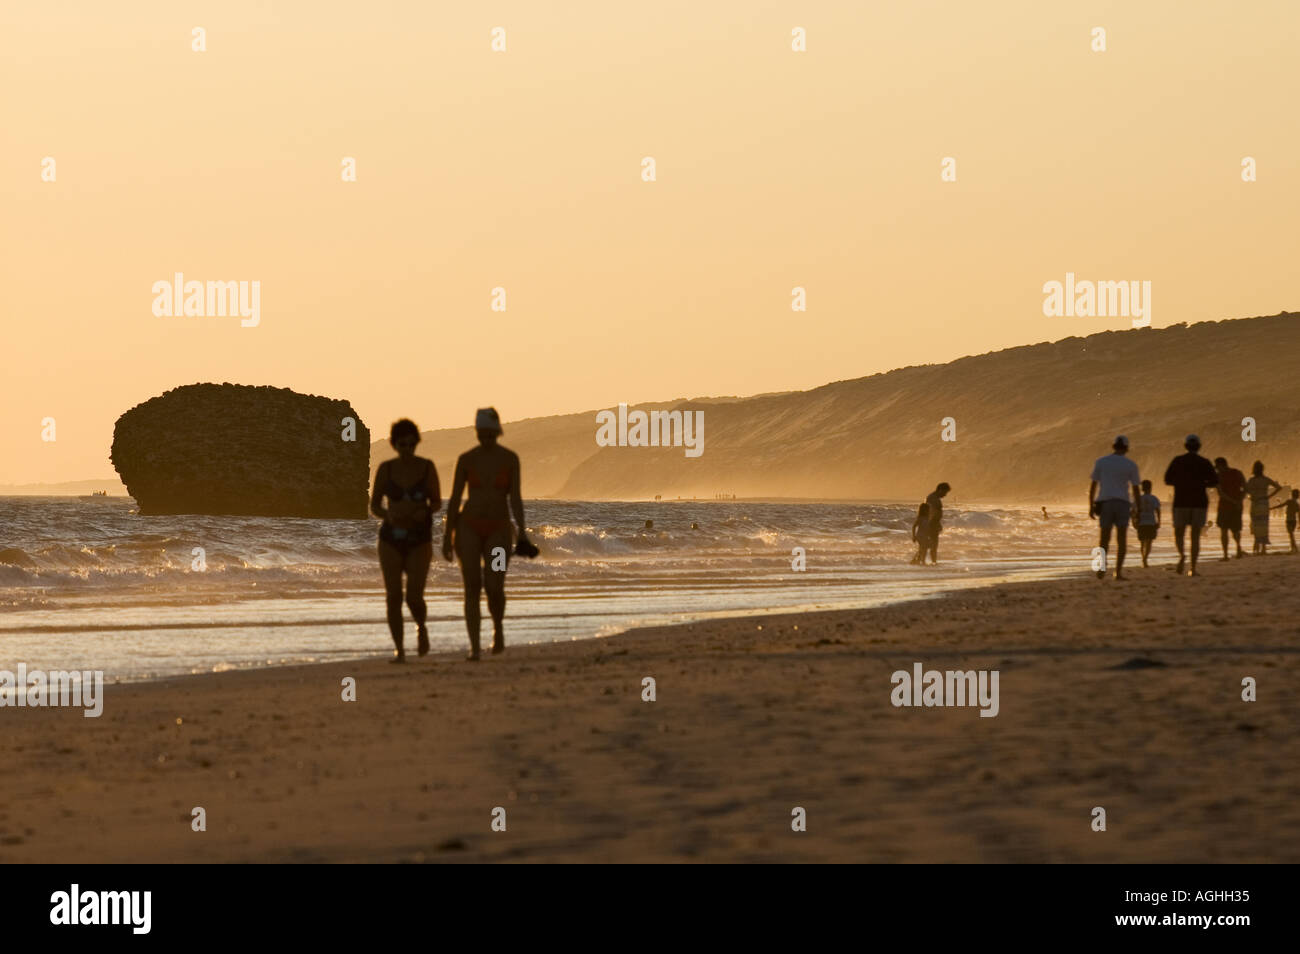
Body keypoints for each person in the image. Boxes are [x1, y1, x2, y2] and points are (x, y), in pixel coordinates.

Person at [441, 408, 531, 660]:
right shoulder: (466, 459)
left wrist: (522, 532)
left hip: (500, 530)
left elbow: (515, 498)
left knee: (494, 585)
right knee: (471, 586)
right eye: (483, 435)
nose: (487, 439)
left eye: (491, 435)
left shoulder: (510, 459)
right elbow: (456, 498)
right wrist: (447, 536)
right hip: (468, 527)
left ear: (497, 433)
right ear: (477, 434)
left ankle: (498, 629)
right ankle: (474, 646)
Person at [371, 419, 441, 663]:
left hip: (419, 538)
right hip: (390, 537)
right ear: (394, 444)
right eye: (402, 444)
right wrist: (388, 514)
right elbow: (374, 505)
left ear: (417, 443)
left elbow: (437, 501)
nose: (407, 449)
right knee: (393, 596)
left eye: (412, 444)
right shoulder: (386, 469)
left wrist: (426, 511)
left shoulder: (426, 467)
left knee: (413, 596)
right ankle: (399, 650)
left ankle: (421, 627)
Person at [1163, 434, 1218, 576]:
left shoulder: (1178, 461)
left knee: (1179, 533)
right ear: (1199, 447)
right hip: (1199, 502)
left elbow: (1167, 480)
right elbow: (1214, 482)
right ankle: (1193, 568)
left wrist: (1181, 483)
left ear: (1185, 446)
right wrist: (1201, 484)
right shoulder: (1204, 462)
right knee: (1195, 536)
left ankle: (1182, 555)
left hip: (1181, 501)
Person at [1088, 435, 1141, 580]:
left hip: (1105, 503)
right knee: (1121, 539)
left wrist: (1090, 505)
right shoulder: (1130, 465)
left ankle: (1102, 566)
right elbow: (1136, 489)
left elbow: (1093, 485)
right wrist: (1138, 508)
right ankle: (1118, 572)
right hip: (1123, 503)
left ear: (1113, 446)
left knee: (1104, 538)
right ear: (1126, 448)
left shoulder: (1101, 462)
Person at [1243, 460, 1282, 554]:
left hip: (1256, 503)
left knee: (1256, 524)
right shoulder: (1266, 479)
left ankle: (1256, 544)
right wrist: (1269, 496)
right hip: (1264, 503)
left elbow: (1245, 490)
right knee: (1264, 525)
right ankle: (1263, 547)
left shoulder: (1252, 480)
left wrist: (1250, 496)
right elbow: (1279, 487)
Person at [1212, 457, 1246, 560]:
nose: (1217, 469)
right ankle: (1238, 548)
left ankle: (1226, 555)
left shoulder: (1218, 476)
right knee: (1236, 530)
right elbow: (1246, 488)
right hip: (1237, 506)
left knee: (1224, 531)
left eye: (1217, 467)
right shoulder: (1238, 473)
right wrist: (1239, 500)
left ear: (1221, 465)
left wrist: (1233, 501)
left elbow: (1221, 493)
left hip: (1224, 506)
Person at [1135, 479, 1161, 568]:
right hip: (1151, 522)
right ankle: (1145, 559)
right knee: (1149, 543)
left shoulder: (1139, 499)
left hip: (1141, 523)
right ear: (1151, 488)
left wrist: (1134, 522)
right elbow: (1158, 511)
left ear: (1142, 488)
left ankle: (1143, 558)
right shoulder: (1154, 498)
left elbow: (1133, 512)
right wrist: (1159, 521)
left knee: (1142, 543)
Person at [924, 483, 950, 564]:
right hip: (931, 524)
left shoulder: (933, 498)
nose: (945, 495)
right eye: (945, 492)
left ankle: (930, 561)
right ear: (940, 490)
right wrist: (933, 524)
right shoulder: (932, 498)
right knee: (932, 544)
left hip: (933, 524)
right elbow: (931, 512)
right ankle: (933, 561)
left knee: (929, 544)